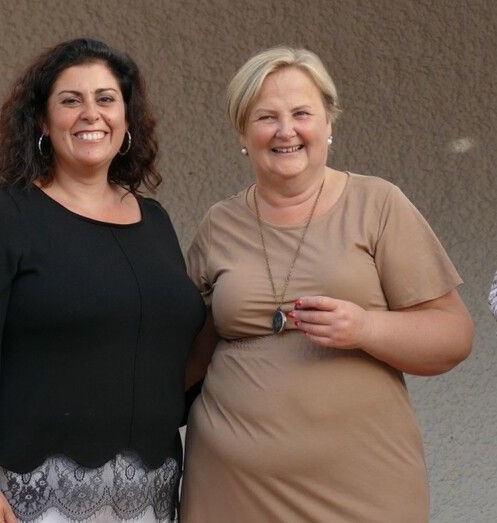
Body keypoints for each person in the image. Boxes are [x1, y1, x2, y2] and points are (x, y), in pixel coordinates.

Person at [0, 38, 205, 523]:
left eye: (106, 99)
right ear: (43, 122)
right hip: (31, 497)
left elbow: (166, 360)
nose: (92, 114)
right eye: (71, 101)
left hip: (148, 496)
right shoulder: (0, 217)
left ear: (127, 119)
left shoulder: (155, 221)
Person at [180, 46, 474, 522]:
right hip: (230, 487)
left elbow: (454, 335)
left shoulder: (378, 204)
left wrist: (366, 328)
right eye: (266, 117)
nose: (286, 131)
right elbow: (184, 353)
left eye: (301, 113)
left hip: (362, 488)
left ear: (329, 122)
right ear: (243, 133)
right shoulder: (219, 224)